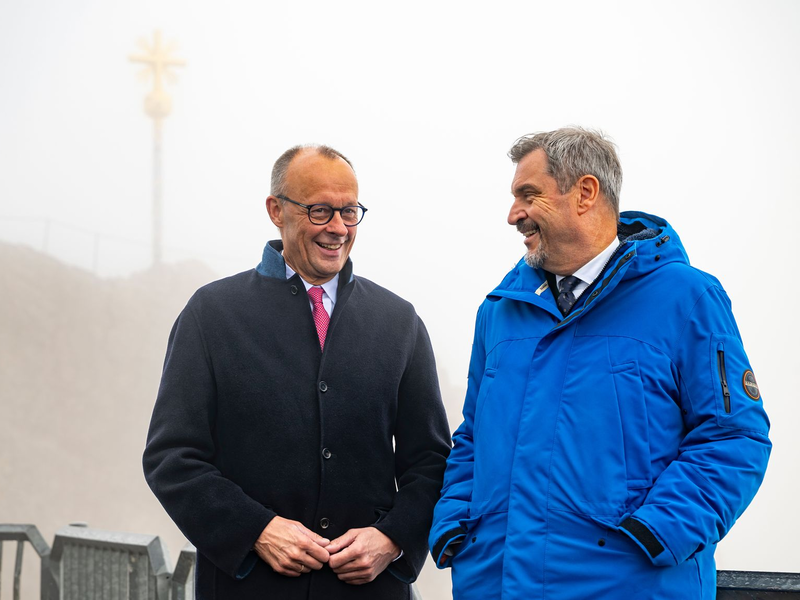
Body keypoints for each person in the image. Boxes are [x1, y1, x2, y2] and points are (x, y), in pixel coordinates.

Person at [429, 127, 771, 599]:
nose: (513, 215)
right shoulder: (500, 312)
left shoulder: (687, 298)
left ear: (585, 193)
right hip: (495, 583)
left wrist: (657, 533)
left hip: (628, 585)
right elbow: (472, 437)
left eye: (528, 195)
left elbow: (734, 438)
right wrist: (453, 529)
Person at [143, 144, 451, 600]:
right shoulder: (210, 314)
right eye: (321, 210)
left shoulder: (399, 321)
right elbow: (172, 457)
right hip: (246, 589)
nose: (339, 228)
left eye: (350, 212)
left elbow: (431, 461)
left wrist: (392, 539)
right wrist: (256, 530)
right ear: (276, 210)